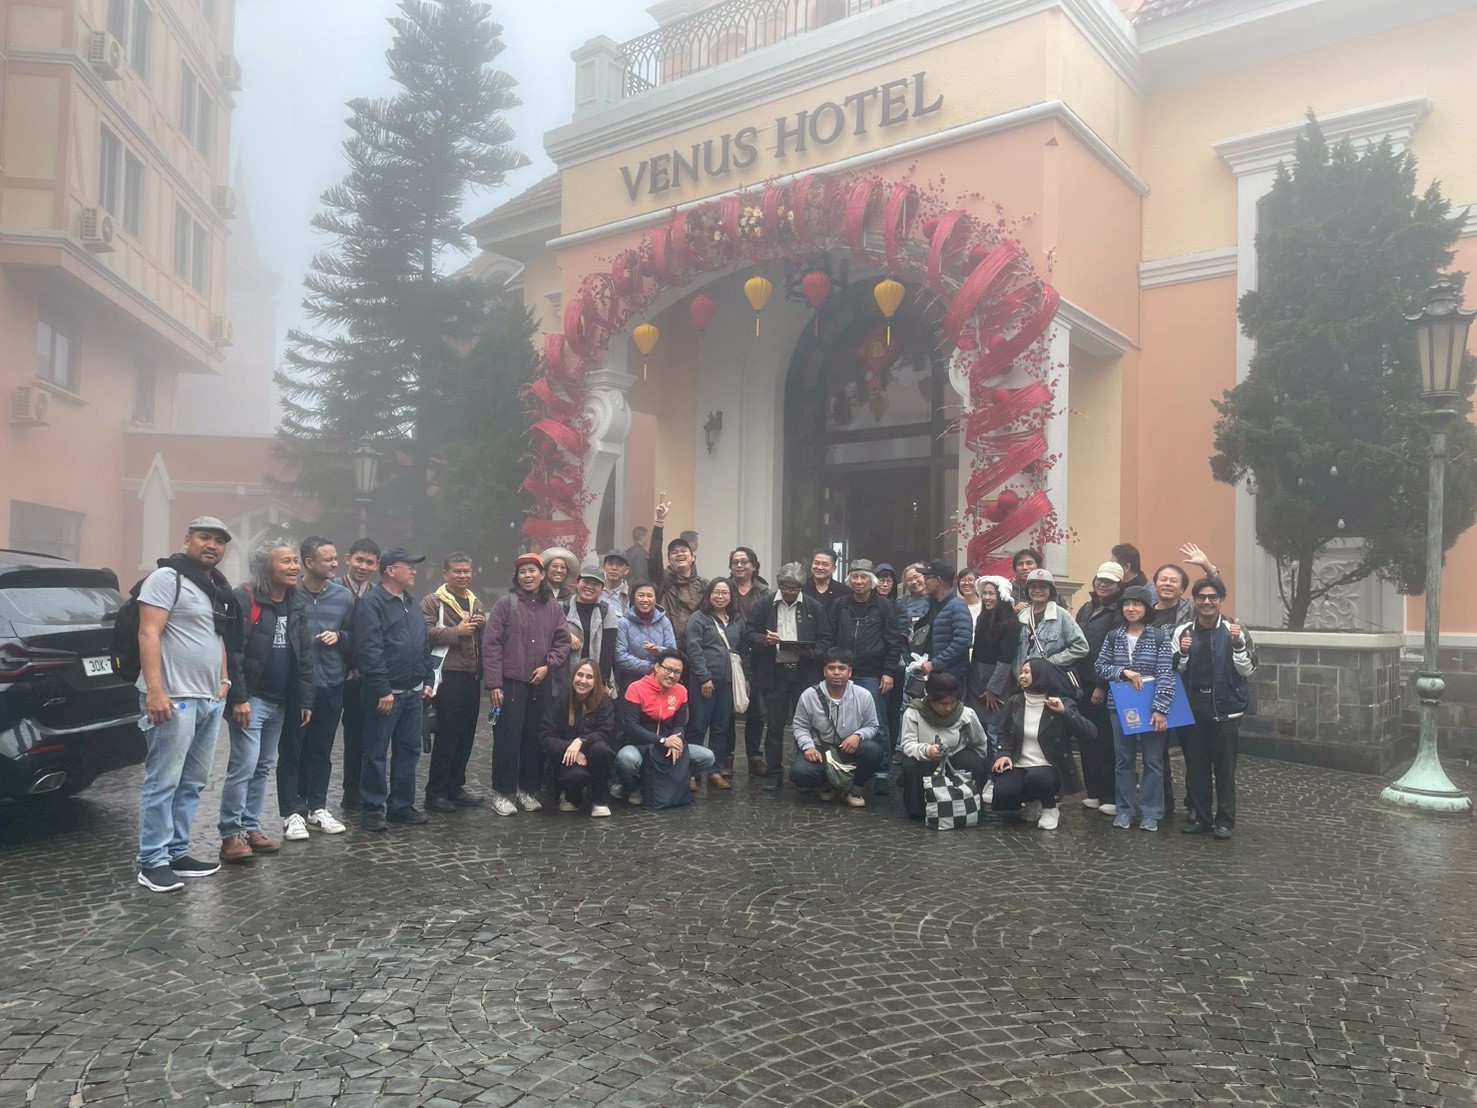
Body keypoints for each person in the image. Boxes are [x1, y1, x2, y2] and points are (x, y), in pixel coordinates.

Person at [133, 516, 241, 893]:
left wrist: (223, 681)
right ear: (187, 539)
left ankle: (177, 852)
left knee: (193, 781)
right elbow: (148, 632)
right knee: (163, 780)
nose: (212, 545)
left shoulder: (216, 587)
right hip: (173, 697)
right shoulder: (167, 578)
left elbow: (218, 637)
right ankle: (152, 861)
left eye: (219, 540)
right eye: (204, 537)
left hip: (208, 698)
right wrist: (155, 690)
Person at [218, 539, 314, 863]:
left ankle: (250, 827)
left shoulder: (295, 602)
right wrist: (239, 697)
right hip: (252, 700)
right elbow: (234, 652)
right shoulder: (244, 598)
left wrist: (305, 698)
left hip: (281, 701)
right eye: (286, 561)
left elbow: (304, 653)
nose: (294, 566)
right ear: (265, 567)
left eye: (294, 560)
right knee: (244, 765)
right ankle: (231, 835)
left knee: (261, 766)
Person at [276, 536, 353, 841]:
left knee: (322, 750)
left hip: (331, 684)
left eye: (335, 558)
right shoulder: (288, 594)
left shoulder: (343, 597)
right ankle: (292, 812)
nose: (335, 564)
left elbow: (354, 635)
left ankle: (317, 807)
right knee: (292, 750)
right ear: (308, 563)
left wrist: (340, 637)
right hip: (295, 687)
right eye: (328, 559)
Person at [482, 552, 572, 817]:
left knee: (534, 738)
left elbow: (563, 641)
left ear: (542, 575)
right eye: (522, 572)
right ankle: (502, 793)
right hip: (510, 683)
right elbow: (491, 645)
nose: (527, 576)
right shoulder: (505, 604)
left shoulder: (552, 607)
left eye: (532, 570)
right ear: (517, 577)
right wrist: (494, 684)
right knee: (507, 739)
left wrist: (549, 666)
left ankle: (526, 789)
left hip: (540, 682)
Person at [353, 548, 435, 831]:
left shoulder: (411, 602)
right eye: (408, 566)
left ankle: (401, 806)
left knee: (409, 750)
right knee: (376, 752)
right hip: (385, 695)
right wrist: (382, 689)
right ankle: (373, 809)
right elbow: (369, 649)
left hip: (414, 692)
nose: (414, 571)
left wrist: (428, 679)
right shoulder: (372, 603)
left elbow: (422, 644)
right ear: (390, 570)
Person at [1173, 577, 1257, 840]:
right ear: (1194, 600)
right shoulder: (1183, 631)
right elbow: (1175, 670)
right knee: (1195, 766)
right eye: (1201, 597)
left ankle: (1225, 821)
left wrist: (1237, 644)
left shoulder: (1235, 630)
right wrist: (1182, 653)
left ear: (1221, 600)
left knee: (1224, 768)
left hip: (1225, 708)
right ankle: (1202, 818)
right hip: (1193, 706)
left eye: (1212, 597)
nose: (1207, 602)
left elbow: (1248, 669)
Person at [746, 562, 833, 793]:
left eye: (795, 588)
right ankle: (774, 773)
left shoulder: (813, 607)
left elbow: (826, 638)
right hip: (775, 672)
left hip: (805, 671)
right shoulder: (765, 604)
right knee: (775, 724)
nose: (790, 592)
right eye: (786, 587)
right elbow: (749, 632)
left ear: (802, 587)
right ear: (779, 584)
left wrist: (811, 653)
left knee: (806, 723)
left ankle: (804, 771)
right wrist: (764, 640)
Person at [1095, 584, 1174, 831]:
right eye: (1127, 604)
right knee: (1123, 759)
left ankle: (1151, 812)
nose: (1131, 608)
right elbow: (1100, 667)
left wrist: (1160, 708)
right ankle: (1125, 810)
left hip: (1151, 705)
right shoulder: (1113, 636)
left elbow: (1165, 674)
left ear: (1147, 608)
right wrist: (1123, 672)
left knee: (1153, 760)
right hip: (1119, 705)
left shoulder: (1159, 637)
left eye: (1137, 604)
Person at [831, 559, 906, 794]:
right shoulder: (840, 605)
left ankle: (882, 772)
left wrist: (888, 672)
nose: (859, 581)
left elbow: (893, 641)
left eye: (863, 577)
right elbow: (831, 636)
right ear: (849, 580)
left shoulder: (884, 606)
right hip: (843, 673)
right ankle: (842, 767)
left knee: (878, 723)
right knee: (840, 720)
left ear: (871, 581)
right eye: (854, 577)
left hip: (873, 674)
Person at [991, 659, 1091, 830]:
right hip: (1019, 763)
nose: (1021, 676)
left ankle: (1050, 807)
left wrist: (1064, 712)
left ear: (1040, 675)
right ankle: (1033, 800)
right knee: (1003, 793)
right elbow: (1004, 733)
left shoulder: (1061, 702)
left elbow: (1090, 732)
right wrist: (1004, 754)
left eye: (1026, 672)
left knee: (1037, 778)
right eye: (1021, 672)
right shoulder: (1014, 701)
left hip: (1049, 766)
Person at [421, 552, 487, 813]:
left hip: (471, 675)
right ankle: (435, 792)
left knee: (466, 734)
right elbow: (424, 633)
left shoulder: (474, 601)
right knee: (447, 734)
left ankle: (455, 786)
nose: (463, 575)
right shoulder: (433, 601)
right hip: (448, 675)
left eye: (466, 571)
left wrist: (482, 625)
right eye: (457, 571)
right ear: (446, 574)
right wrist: (456, 632)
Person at [614, 649, 717, 800]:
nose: (672, 675)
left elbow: (680, 724)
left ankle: (670, 784)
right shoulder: (636, 688)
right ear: (657, 667)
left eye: (677, 672)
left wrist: (677, 741)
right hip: (639, 745)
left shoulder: (681, 691)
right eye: (668, 669)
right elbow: (632, 726)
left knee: (707, 757)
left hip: (666, 747)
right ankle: (634, 787)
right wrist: (662, 740)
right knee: (627, 759)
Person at [788, 649, 883, 806]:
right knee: (800, 773)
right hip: (820, 747)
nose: (836, 673)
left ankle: (855, 790)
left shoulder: (864, 695)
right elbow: (799, 726)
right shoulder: (809, 695)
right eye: (831, 668)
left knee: (873, 751)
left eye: (842, 668)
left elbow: (872, 725)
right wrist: (808, 747)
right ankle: (826, 785)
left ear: (849, 672)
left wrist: (858, 736)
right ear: (824, 671)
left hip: (848, 747)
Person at [898, 671, 990, 821]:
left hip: (954, 755)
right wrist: (927, 751)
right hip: (925, 758)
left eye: (952, 703)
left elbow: (979, 741)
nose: (948, 708)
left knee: (975, 763)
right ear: (930, 699)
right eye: (943, 704)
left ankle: (973, 804)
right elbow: (907, 744)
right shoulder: (914, 712)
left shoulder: (965, 713)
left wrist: (979, 760)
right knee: (909, 765)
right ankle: (917, 810)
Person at [685, 577, 747, 790]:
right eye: (716, 592)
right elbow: (694, 649)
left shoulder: (736, 619)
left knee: (721, 728)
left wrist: (746, 678)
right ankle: (691, 772)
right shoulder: (698, 618)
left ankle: (715, 770)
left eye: (725, 593)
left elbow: (742, 649)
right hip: (703, 682)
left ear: (731, 596)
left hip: (728, 683)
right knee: (697, 727)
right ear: (709, 595)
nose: (721, 596)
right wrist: (704, 678)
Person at [1074, 561, 1125, 816]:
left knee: (1105, 740)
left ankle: (1109, 794)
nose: (1103, 585)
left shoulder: (1118, 612)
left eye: (1109, 582)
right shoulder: (1086, 608)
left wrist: (1101, 685)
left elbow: (1114, 652)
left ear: (1119, 586)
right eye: (1100, 580)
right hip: (1080, 682)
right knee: (1086, 738)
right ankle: (1093, 792)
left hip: (1101, 684)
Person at [540, 659, 616, 817]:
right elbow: (545, 735)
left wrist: (580, 742)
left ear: (596, 680)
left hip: (594, 753)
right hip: (567, 757)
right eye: (580, 675)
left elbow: (605, 732)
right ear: (573, 676)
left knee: (602, 750)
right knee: (574, 777)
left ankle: (600, 799)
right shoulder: (560, 700)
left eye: (589, 677)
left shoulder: (604, 702)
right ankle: (572, 797)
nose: (583, 680)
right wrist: (570, 748)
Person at [338, 537, 379, 809]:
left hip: (366, 678)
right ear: (348, 559)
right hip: (337, 674)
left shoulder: (376, 593)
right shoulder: (334, 589)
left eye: (369, 562)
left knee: (362, 736)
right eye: (359, 560)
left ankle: (356, 791)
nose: (363, 567)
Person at [728, 545, 770, 777]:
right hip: (730, 654)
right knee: (727, 710)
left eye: (744, 561)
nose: (739, 565)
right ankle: (727, 758)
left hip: (758, 656)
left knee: (756, 709)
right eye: (735, 562)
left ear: (754, 566)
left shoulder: (765, 592)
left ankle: (755, 757)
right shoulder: (722, 588)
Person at [645, 493, 707, 642]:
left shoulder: (704, 585)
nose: (679, 554)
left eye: (683, 550)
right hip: (666, 643)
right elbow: (654, 556)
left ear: (693, 558)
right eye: (674, 552)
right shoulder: (663, 578)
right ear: (669, 559)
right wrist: (659, 522)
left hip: (696, 645)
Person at [969, 576, 1020, 746]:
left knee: (993, 732)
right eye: (984, 593)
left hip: (997, 684)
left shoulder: (1011, 624)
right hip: (976, 680)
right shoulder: (982, 618)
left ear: (1001, 596)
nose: (986, 598)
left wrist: (993, 689)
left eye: (991, 594)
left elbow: (1006, 660)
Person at [1015, 569, 1089, 674]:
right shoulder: (1021, 616)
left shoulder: (1061, 616)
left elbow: (1081, 647)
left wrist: (1052, 662)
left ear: (1051, 590)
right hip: (1022, 679)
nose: (1037, 590)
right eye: (1033, 586)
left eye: (1043, 587)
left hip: (1048, 679)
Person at [566, 561, 620, 688]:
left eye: (595, 584)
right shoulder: (562, 607)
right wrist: (565, 635)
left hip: (594, 678)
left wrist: (603, 681)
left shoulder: (607, 611)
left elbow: (608, 650)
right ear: (577, 583)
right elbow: (549, 635)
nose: (590, 586)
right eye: (586, 581)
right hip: (564, 677)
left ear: (602, 589)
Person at [615, 582, 676, 691]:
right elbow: (620, 656)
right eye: (641, 595)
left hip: (661, 681)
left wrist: (659, 651)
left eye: (650, 595)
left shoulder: (664, 621)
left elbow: (673, 651)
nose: (645, 599)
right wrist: (650, 667)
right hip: (632, 682)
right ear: (633, 599)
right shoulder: (623, 623)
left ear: (656, 599)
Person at [918, 560, 972, 683]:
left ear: (938, 581)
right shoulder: (931, 605)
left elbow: (963, 642)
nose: (924, 582)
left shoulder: (957, 606)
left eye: (927, 578)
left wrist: (935, 663)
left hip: (950, 679)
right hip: (932, 675)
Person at [803, 549, 842, 620]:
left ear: (834, 568)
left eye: (825, 564)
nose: (819, 567)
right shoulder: (801, 587)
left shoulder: (843, 591)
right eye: (816, 563)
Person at [955, 569, 982, 652]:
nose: (967, 583)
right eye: (963, 580)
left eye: (970, 579)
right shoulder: (955, 606)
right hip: (959, 652)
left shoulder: (985, 607)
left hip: (980, 652)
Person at [601, 549, 631, 615]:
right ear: (603, 567)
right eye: (610, 563)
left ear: (626, 570)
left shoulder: (631, 594)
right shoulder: (595, 589)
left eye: (620, 564)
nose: (614, 568)